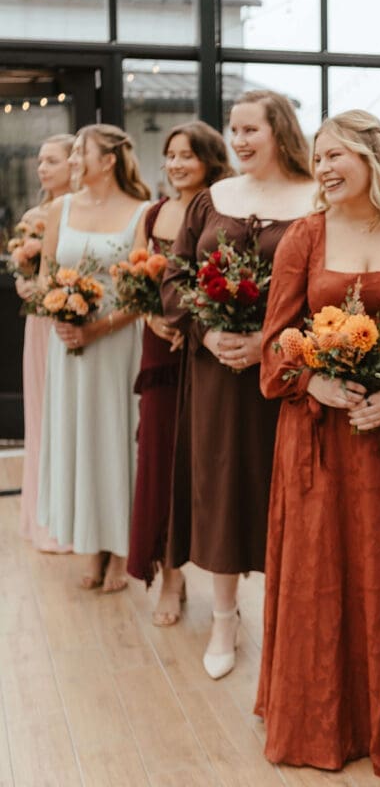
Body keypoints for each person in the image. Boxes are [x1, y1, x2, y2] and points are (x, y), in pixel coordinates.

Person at [255, 109, 380, 777]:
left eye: (336, 153)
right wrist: (312, 382)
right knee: (322, 580)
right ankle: (321, 724)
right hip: (320, 446)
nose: (324, 167)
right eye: (316, 158)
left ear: (373, 157)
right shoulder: (303, 238)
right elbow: (274, 344)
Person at [162, 90, 314, 677]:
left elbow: (324, 285)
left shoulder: (315, 199)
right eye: (234, 129)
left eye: (252, 129)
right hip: (215, 375)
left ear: (281, 131)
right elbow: (176, 275)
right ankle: (224, 617)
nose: (240, 140)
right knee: (222, 482)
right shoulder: (210, 199)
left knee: (285, 487)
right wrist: (206, 333)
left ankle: (285, 619)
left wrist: (270, 345)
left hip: (288, 375)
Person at [127, 121, 232, 625]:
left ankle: (225, 589)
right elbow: (137, 280)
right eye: (170, 155)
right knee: (159, 462)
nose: (175, 164)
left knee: (206, 465)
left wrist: (190, 324)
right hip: (160, 348)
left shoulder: (222, 208)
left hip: (207, 349)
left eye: (187, 155)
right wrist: (157, 318)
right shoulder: (153, 213)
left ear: (210, 159)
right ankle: (169, 575)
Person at [37, 125, 150, 593]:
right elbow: (45, 271)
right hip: (67, 339)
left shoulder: (142, 212)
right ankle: (88, 543)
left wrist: (99, 324)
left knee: (116, 435)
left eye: (83, 150)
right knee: (76, 436)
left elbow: (145, 287)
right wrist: (58, 312)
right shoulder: (60, 208)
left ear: (110, 160)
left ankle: (120, 547)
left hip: (117, 339)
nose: (75, 158)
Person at [15, 133, 74, 551]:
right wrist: (23, 281)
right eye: (40, 160)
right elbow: (28, 270)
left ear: (75, 164)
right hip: (39, 323)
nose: (42, 168)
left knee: (67, 414)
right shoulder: (35, 214)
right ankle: (43, 514)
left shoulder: (83, 214)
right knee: (39, 411)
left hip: (72, 321)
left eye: (51, 161)